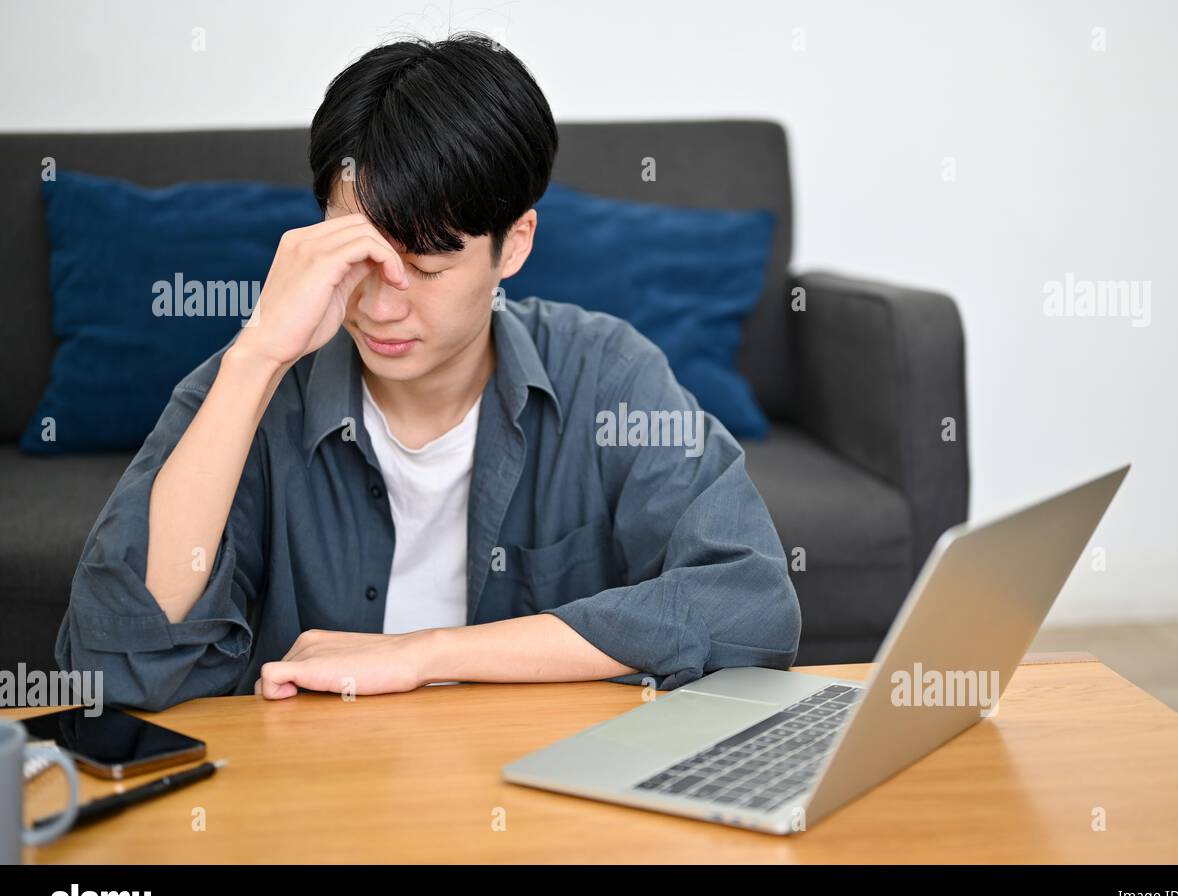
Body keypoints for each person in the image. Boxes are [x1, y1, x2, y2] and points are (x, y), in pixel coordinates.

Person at [56, 32, 800, 711]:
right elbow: (114, 667)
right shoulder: (255, 379)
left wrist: (427, 655)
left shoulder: (606, 374)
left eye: (424, 266)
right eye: (358, 256)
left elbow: (751, 605)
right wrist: (255, 357)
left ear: (513, 246)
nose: (380, 305)